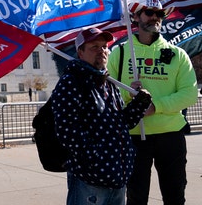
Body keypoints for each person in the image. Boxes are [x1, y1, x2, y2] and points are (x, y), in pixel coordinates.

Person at [108, 0, 198, 205]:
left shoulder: (177, 54)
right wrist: (129, 95)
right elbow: (108, 93)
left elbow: (189, 94)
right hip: (133, 137)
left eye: (159, 14)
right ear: (136, 17)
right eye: (149, 12)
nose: (155, 17)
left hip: (171, 135)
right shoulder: (119, 53)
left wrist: (156, 106)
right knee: (136, 197)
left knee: (175, 196)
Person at [52, 27, 152, 205]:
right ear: (80, 53)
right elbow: (67, 132)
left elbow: (122, 123)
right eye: (94, 47)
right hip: (90, 181)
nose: (102, 51)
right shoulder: (72, 81)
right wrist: (96, 159)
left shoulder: (108, 83)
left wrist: (139, 104)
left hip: (117, 177)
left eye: (104, 46)